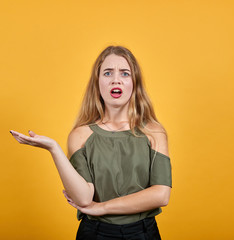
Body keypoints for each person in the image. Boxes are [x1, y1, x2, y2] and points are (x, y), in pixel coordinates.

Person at [10, 45, 172, 240]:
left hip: (143, 233)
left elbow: (161, 195)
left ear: (134, 83)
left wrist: (102, 207)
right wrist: (54, 148)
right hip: (95, 233)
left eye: (125, 73)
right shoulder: (80, 135)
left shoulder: (153, 132)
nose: (115, 80)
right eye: (108, 73)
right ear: (97, 83)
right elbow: (84, 198)